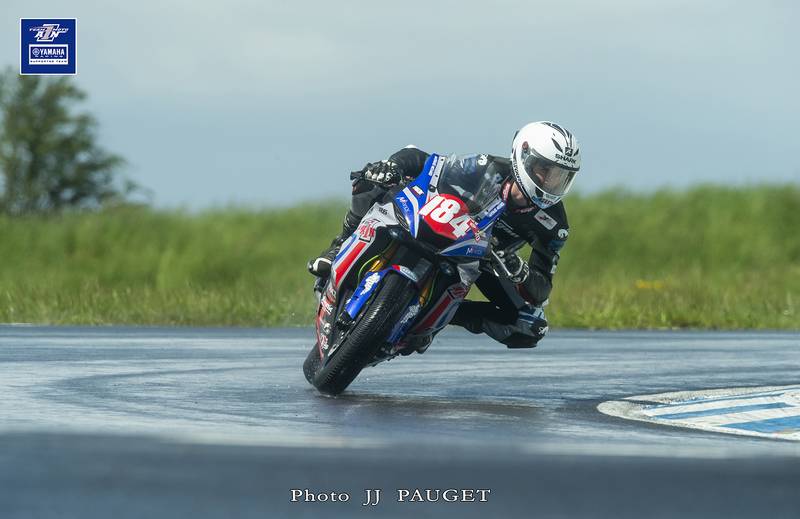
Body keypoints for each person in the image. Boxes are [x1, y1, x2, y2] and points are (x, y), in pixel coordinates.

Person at [308, 121, 580, 349]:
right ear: (523, 156)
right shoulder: (487, 167)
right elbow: (424, 160)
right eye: (545, 171)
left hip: (482, 260)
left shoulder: (554, 225)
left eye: (561, 176)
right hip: (441, 221)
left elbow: (541, 289)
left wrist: (520, 272)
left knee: (532, 326)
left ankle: (438, 318)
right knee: (371, 178)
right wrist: (392, 167)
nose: (551, 182)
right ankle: (340, 245)